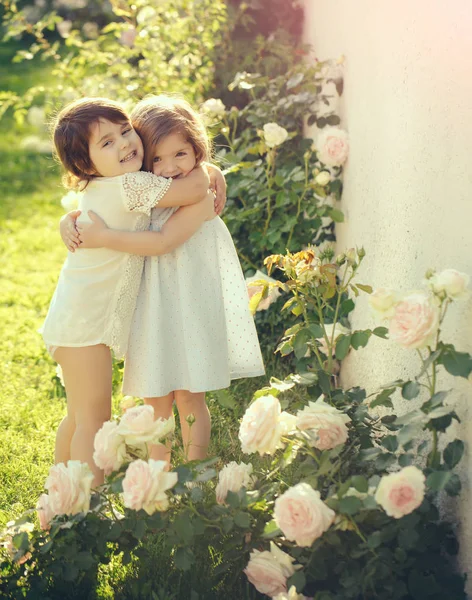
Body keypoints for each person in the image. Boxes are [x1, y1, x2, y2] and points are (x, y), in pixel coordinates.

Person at [62, 95, 265, 465]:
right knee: (155, 397)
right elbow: (101, 200)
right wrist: (70, 219)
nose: (169, 167)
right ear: (144, 159)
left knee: (190, 395)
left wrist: (209, 171)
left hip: (189, 305)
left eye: (181, 155)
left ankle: (195, 470)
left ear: (197, 151)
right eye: (158, 158)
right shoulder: (140, 187)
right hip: (151, 308)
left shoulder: (195, 198)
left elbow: (163, 240)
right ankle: (158, 475)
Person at [43, 96, 217, 485]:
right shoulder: (131, 186)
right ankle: (85, 508)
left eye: (124, 131)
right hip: (85, 328)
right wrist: (209, 170)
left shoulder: (99, 185)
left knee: (78, 417)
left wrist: (208, 169)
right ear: (85, 164)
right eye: (107, 142)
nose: (124, 144)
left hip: (73, 324)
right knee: (93, 421)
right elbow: (194, 188)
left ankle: (60, 498)